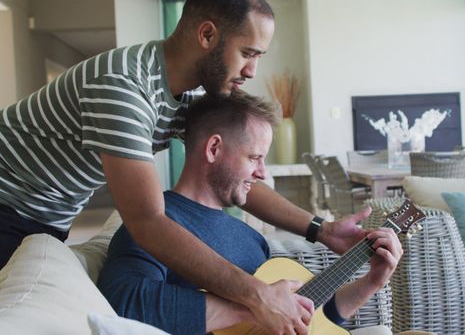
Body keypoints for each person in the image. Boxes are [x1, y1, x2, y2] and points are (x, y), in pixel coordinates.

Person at [0, 0, 372, 333]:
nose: (252, 71)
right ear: (208, 35)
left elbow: (233, 173)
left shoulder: (178, 98)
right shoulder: (123, 87)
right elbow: (148, 222)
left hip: (47, 209)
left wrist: (323, 230)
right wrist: (256, 294)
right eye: (247, 53)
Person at [97, 90, 402, 335]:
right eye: (254, 157)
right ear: (213, 149)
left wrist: (372, 281)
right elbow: (122, 301)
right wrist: (255, 306)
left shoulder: (248, 237)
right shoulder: (158, 227)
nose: (261, 173)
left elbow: (308, 320)